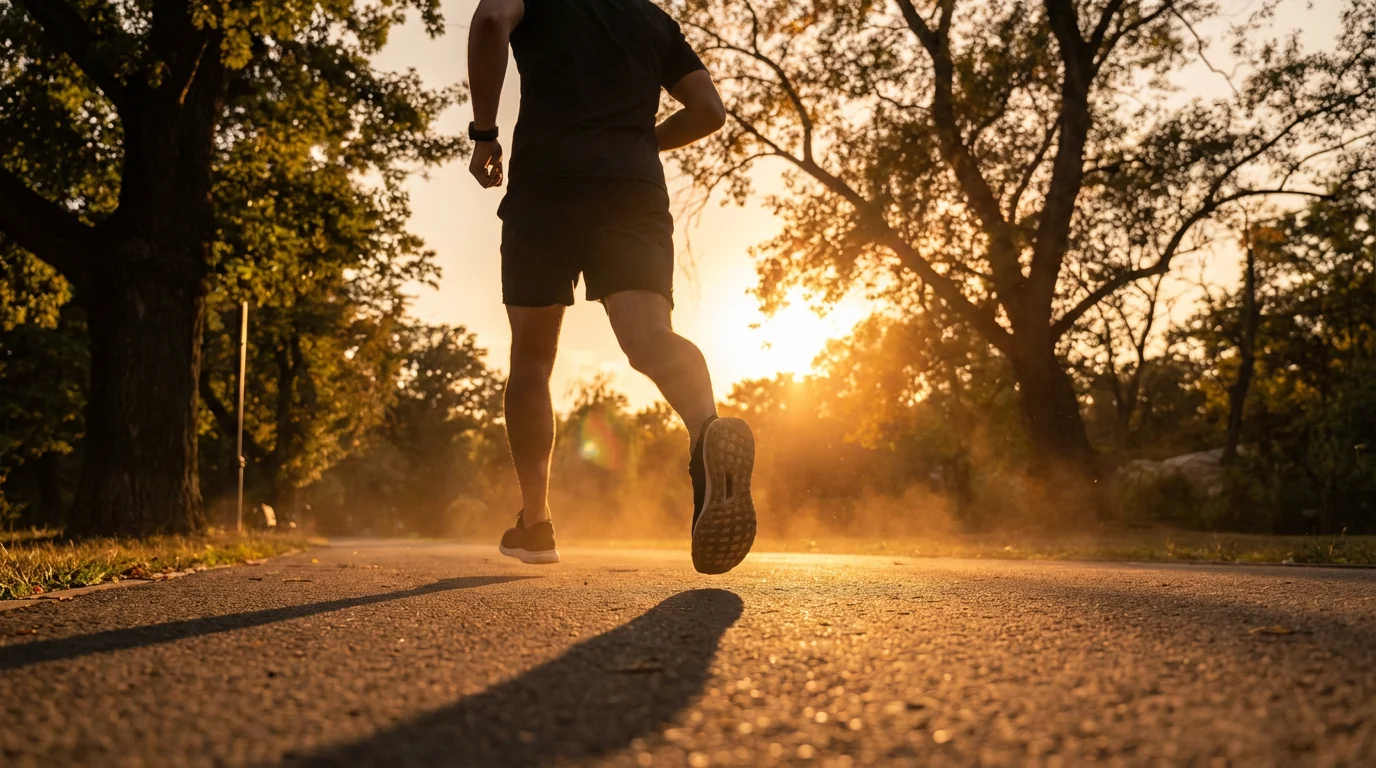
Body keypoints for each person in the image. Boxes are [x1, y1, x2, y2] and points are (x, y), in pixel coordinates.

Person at [467, 0, 756, 574]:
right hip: (632, 189)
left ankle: (537, 522)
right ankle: (705, 435)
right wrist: (639, 144)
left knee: (532, 358)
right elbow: (708, 110)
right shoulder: (649, 18)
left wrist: (484, 134)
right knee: (650, 338)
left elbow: (490, 21)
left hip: (548, 184)